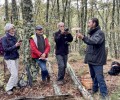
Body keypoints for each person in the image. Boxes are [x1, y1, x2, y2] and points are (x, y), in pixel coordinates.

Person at [76, 18, 109, 99]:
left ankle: (104, 94)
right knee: (93, 76)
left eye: (89, 22)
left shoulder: (100, 33)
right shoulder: (92, 33)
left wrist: (83, 37)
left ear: (94, 23)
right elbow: (91, 43)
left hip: (97, 59)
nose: (88, 24)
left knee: (99, 77)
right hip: (91, 59)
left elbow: (94, 42)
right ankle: (94, 90)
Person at [2, 23, 22, 95]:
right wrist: (15, 45)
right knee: (14, 74)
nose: (13, 30)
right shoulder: (4, 38)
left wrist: (18, 45)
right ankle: (8, 88)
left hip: (15, 56)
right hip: (9, 58)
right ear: (8, 30)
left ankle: (14, 85)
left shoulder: (14, 37)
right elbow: (5, 49)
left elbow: (16, 48)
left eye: (13, 28)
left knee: (16, 72)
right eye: (11, 29)